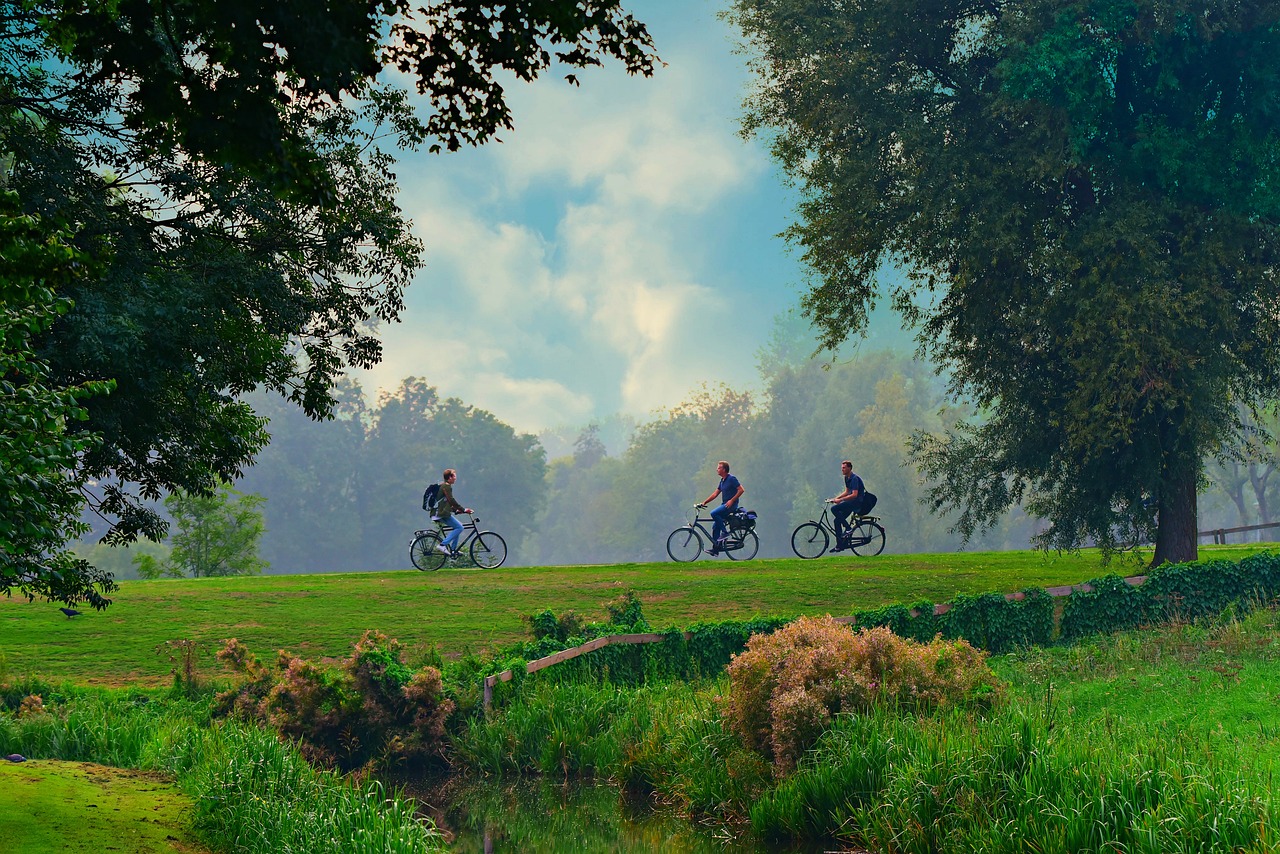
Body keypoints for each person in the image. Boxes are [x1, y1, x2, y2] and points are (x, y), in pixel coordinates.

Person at [698, 460, 745, 556]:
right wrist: (705, 502)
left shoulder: (731, 479)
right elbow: (715, 494)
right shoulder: (722, 481)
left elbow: (741, 490)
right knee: (715, 527)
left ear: (724, 469)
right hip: (724, 504)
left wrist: (732, 500)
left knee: (714, 513)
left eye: (719, 468)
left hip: (731, 506)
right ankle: (715, 550)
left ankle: (725, 533)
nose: (717, 469)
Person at [828, 460, 866, 552]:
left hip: (856, 502)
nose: (842, 470)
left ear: (849, 468)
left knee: (834, 509)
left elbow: (854, 494)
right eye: (842, 468)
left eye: (844, 468)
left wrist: (840, 500)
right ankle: (840, 545)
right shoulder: (846, 478)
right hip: (851, 502)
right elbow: (847, 492)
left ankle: (848, 528)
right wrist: (835, 498)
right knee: (837, 521)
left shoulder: (854, 478)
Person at [434, 468, 472, 555]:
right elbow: (451, 500)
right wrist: (464, 509)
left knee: (458, 527)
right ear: (450, 477)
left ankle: (454, 550)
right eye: (454, 476)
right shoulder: (446, 487)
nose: (455, 478)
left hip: (441, 512)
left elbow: (446, 502)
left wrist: (456, 510)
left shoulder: (444, 486)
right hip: (442, 513)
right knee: (460, 527)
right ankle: (442, 545)